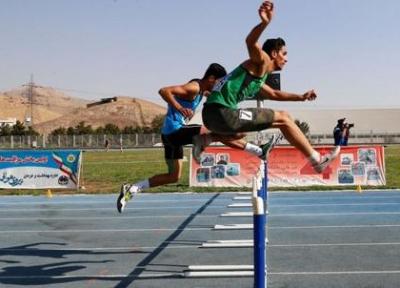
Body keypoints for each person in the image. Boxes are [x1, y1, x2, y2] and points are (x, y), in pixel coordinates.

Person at [196, 1, 340, 173]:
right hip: (223, 113)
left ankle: (205, 139)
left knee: (239, 134)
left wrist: (301, 97)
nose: (286, 59)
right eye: (284, 54)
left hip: (212, 116)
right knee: (284, 118)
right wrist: (265, 23)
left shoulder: (257, 77)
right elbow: (250, 42)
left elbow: (274, 94)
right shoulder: (261, 62)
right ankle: (317, 160)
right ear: (273, 53)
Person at [116, 63, 281, 213]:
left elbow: (215, 95)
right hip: (176, 131)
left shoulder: (203, 90)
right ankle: (258, 150)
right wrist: (180, 108)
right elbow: (164, 90)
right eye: (218, 82)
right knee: (218, 132)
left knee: (173, 177)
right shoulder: (193, 88)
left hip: (169, 136)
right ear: (210, 78)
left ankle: (133, 188)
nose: (219, 86)